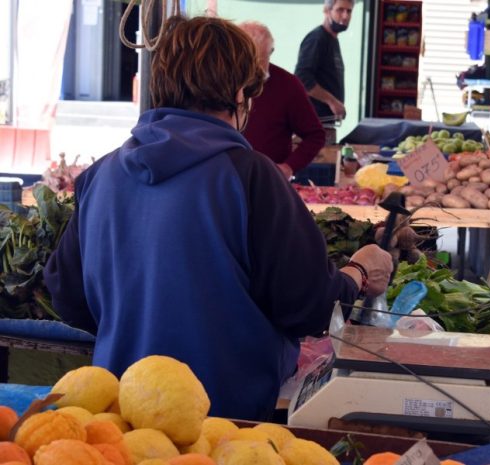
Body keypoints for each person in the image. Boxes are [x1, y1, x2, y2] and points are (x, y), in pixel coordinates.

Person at [43, 15, 393, 421]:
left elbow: (66, 296)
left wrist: (134, 325)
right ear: (241, 94)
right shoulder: (250, 176)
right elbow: (310, 307)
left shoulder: (100, 175)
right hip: (222, 420)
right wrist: (358, 272)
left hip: (122, 415)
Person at [239, 21, 325, 180]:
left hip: (270, 182)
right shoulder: (221, 82)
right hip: (227, 178)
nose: (262, 68)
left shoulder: (288, 84)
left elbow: (315, 135)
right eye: (254, 60)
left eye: (266, 56)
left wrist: (289, 166)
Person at [294, 0, 354, 121]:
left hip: (327, 122)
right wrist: (332, 102)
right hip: (315, 121)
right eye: (340, 10)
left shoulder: (332, 40)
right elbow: (302, 78)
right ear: (327, 10)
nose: (345, 16)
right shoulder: (317, 38)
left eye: (349, 11)